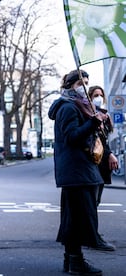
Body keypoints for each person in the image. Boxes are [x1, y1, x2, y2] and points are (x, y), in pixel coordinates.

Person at [48, 69, 105, 275]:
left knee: (74, 219)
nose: (85, 86)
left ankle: (72, 261)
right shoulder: (68, 107)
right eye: (82, 83)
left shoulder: (77, 105)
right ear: (71, 84)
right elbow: (72, 136)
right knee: (77, 219)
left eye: (87, 82)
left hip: (78, 171)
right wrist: (92, 123)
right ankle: (76, 262)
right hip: (76, 171)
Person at [88, 85, 117, 251]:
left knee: (95, 201)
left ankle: (92, 233)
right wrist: (110, 154)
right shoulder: (90, 115)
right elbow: (95, 141)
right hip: (94, 163)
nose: (98, 98)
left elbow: (104, 141)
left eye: (100, 95)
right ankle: (92, 236)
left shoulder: (105, 116)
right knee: (91, 201)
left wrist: (109, 153)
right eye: (95, 95)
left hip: (101, 163)